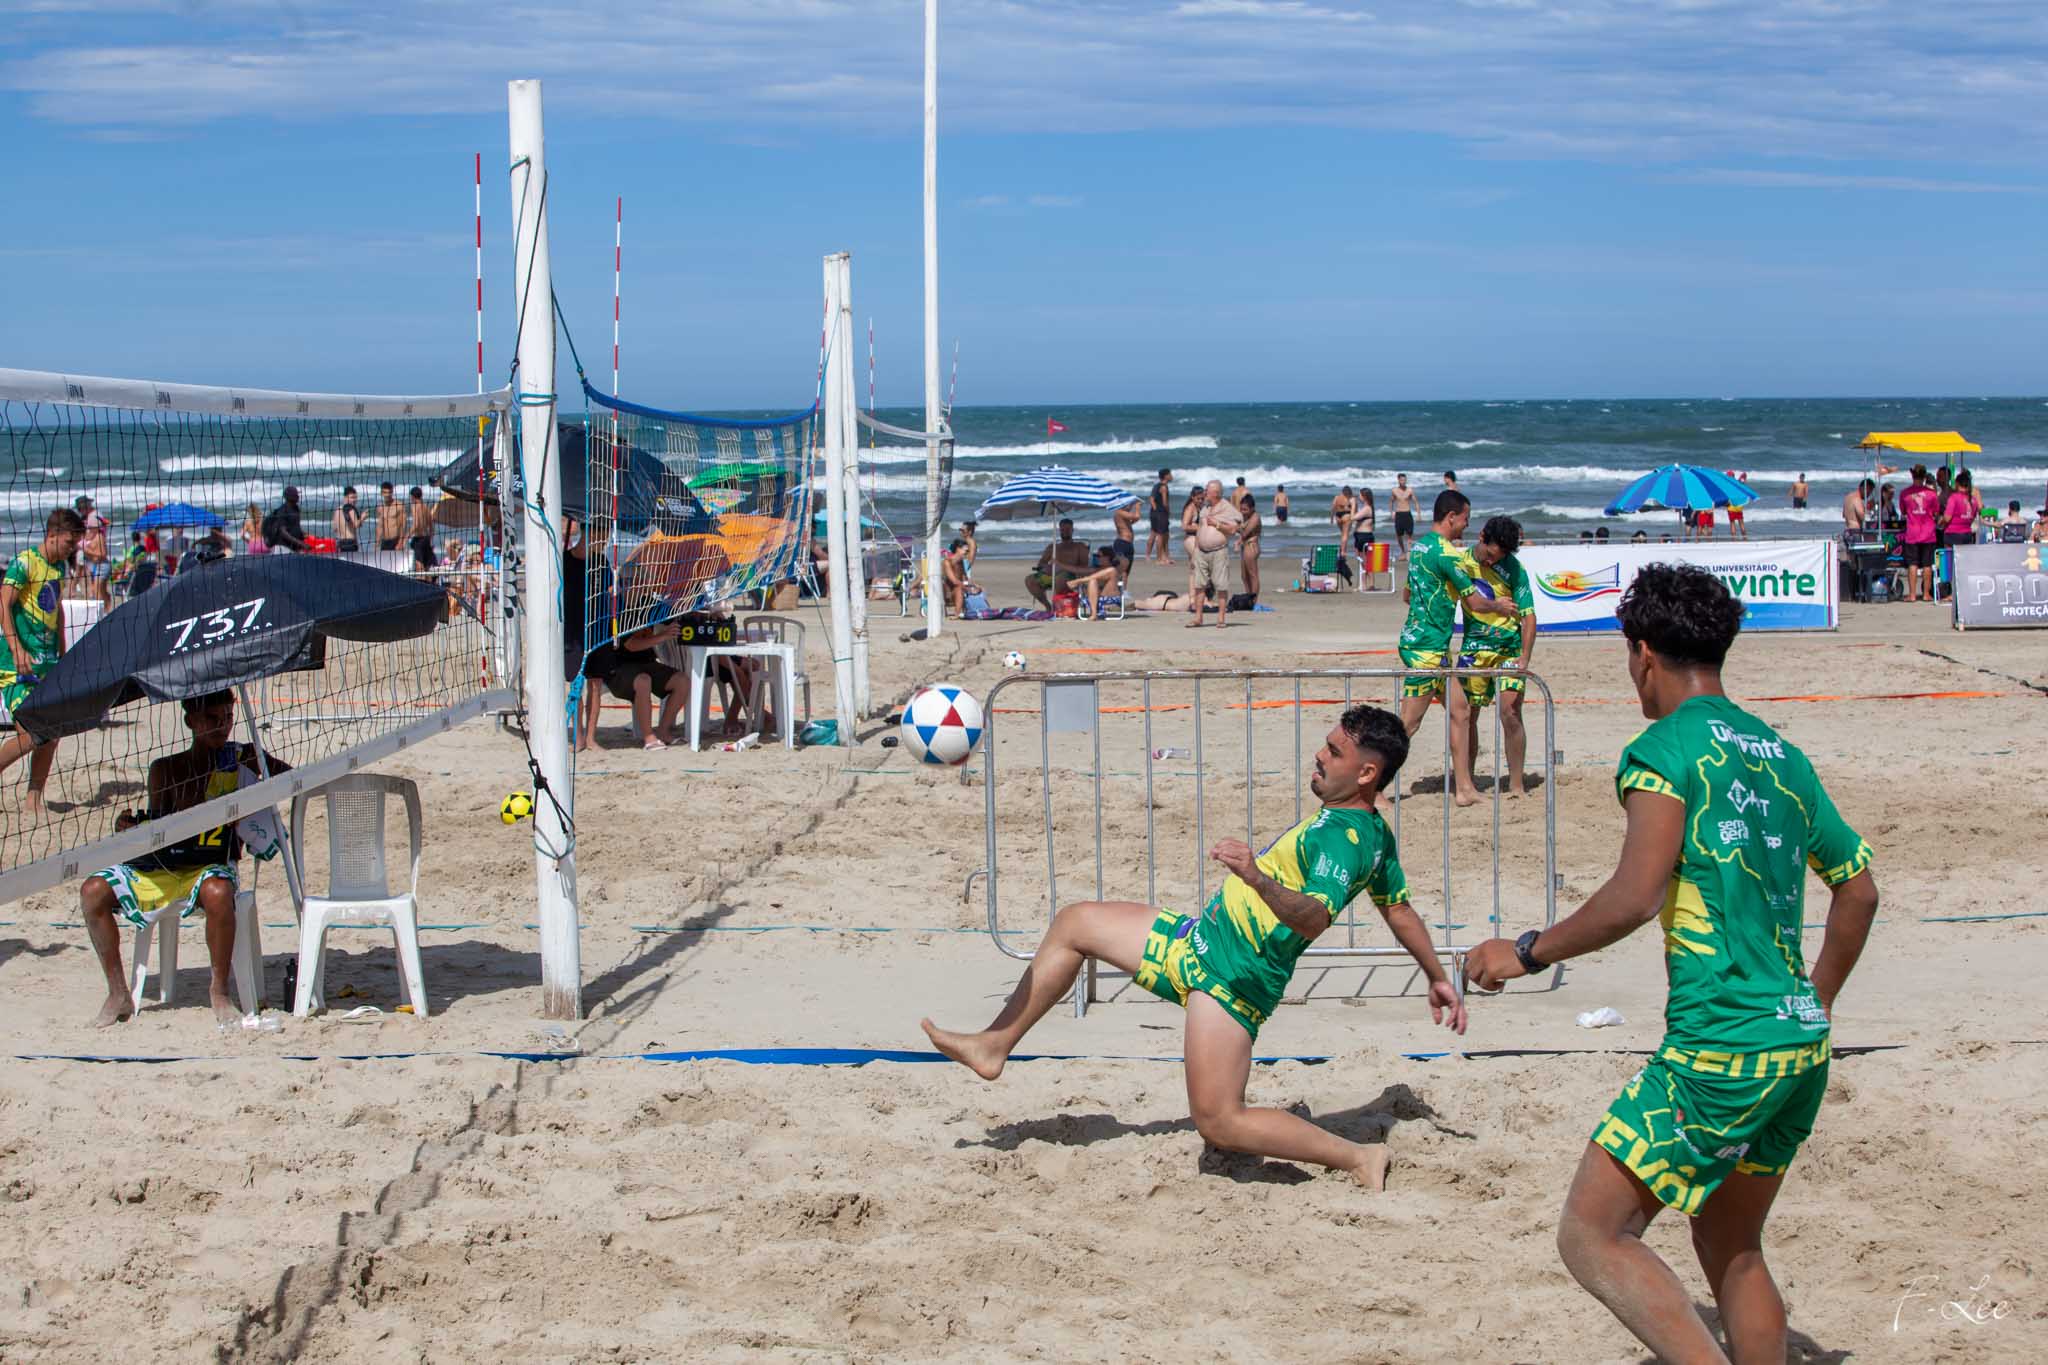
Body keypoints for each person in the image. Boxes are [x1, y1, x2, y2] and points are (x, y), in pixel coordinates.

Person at [1465, 564, 1877, 1365]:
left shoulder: (1662, 749)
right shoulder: (1781, 754)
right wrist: (1815, 1000)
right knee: (1731, 1241)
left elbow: (1636, 894)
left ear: (1645, 653)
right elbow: (1857, 889)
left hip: (1719, 1046)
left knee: (1591, 1232)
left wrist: (1525, 951)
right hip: (1798, 1045)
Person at [922, 705, 1467, 1188]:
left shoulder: (1343, 840)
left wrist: (1255, 876)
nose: (1319, 756)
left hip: (1232, 982)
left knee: (1221, 1123)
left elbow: (1313, 919)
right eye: (1326, 745)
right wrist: (1437, 975)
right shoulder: (1372, 831)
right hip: (1196, 943)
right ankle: (994, 1045)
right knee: (1075, 923)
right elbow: (1398, 909)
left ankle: (1359, 1157)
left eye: (1334, 751)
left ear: (1367, 773)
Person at [78, 690, 293, 1027]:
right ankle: (118, 992)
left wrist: (259, 766)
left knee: (218, 892)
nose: (222, 725)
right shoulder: (166, 769)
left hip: (212, 866)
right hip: (165, 866)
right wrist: (130, 827)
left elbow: (293, 780)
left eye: (227, 717)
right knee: (92, 890)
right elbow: (158, 829)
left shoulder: (240, 759)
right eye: (212, 718)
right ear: (191, 721)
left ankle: (219, 991)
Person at [1397, 490, 1518, 808]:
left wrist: (1433, 604)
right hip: (1426, 650)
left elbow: (1407, 596)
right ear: (1451, 517)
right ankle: (1373, 789)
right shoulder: (1448, 554)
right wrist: (1500, 606)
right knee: (1407, 724)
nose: (1467, 525)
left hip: (1431, 646)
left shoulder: (1419, 547)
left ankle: (1464, 788)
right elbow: (1475, 602)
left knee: (1461, 712)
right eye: (1465, 518)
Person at [0, 508, 82, 816]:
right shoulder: (24, 563)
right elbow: (3, 604)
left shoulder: (59, 567)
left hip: (46, 665)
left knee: (51, 734)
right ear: (52, 535)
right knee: (31, 734)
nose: (72, 549)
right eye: (69, 542)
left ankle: (33, 801)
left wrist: (63, 654)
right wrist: (17, 649)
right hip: (15, 666)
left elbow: (57, 613)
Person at [1458, 517, 1537, 798]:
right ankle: (1466, 782)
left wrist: (1525, 656)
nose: (1493, 561)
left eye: (1500, 557)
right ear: (1481, 536)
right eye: (1491, 555)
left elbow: (1529, 616)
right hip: (1473, 649)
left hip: (1508, 649)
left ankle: (1516, 785)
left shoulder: (1514, 569)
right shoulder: (1460, 563)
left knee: (1511, 713)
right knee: (1467, 717)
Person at [603, 618, 690, 749]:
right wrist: (663, 635)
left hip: (647, 663)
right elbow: (631, 645)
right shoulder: (620, 611)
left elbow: (672, 617)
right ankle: (649, 737)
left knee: (682, 681)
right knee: (643, 681)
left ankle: (663, 731)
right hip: (618, 667)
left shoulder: (649, 608)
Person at [1189, 480, 1240, 629]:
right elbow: (1200, 529)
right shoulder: (1205, 508)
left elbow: (1233, 529)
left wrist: (1217, 524)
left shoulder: (1227, 508)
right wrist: (1195, 552)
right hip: (1201, 552)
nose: (1204, 492)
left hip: (1218, 552)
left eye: (1207, 490)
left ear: (1216, 493)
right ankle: (1198, 618)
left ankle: (1221, 618)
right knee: (1199, 585)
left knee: (1221, 585)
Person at [1897, 466, 1940, 603]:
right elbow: (1936, 511)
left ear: (1912, 475)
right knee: (1927, 564)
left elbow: (1903, 512)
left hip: (1913, 532)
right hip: (1928, 532)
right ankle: (1926, 594)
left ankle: (1912, 594)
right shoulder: (1931, 494)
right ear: (1924, 476)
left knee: (1912, 563)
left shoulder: (1905, 494)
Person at [1026, 518, 1091, 608]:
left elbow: (1084, 567)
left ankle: (1057, 606)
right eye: (1063, 529)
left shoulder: (1079, 546)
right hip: (1051, 576)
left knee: (1060, 578)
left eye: (1068, 529)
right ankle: (1048, 606)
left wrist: (1064, 568)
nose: (1065, 531)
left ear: (1072, 530)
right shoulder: (1053, 547)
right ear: (1059, 530)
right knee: (1030, 580)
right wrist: (1046, 568)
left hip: (1071, 577)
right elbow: (1041, 564)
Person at [75, 496, 110, 605]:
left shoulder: (97, 533)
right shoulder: (91, 517)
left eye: (81, 508)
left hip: (99, 562)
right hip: (94, 560)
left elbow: (102, 554)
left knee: (98, 589)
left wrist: (83, 545)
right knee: (97, 588)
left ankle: (102, 608)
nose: (80, 511)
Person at [262, 487, 310, 554]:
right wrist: (300, 543)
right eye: (295, 495)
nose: (298, 496)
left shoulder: (296, 509)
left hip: (294, 547)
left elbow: (294, 526)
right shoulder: (283, 511)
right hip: (283, 547)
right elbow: (283, 532)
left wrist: (304, 535)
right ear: (289, 497)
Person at [1349, 487, 1377, 593]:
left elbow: (1352, 518)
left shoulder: (1367, 509)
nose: (1359, 496)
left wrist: (1353, 505)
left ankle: (1369, 584)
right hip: (1360, 536)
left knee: (1366, 562)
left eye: (1360, 495)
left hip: (1364, 536)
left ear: (1364, 497)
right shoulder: (1365, 508)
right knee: (1362, 562)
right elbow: (1357, 516)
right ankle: (1364, 584)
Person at [1942, 472, 1977, 551]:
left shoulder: (1954, 498)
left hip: (1952, 534)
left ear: (1957, 484)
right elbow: (1972, 518)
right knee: (1965, 557)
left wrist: (1941, 521)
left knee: (1951, 557)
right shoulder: (1973, 500)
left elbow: (1947, 518)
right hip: (1967, 534)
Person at [1237, 493, 1262, 601]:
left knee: (1252, 575)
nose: (1242, 511)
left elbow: (1245, 533)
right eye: (1241, 509)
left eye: (1245, 509)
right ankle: (1249, 598)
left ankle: (1254, 600)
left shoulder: (1255, 517)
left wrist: (1235, 527)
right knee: (1244, 576)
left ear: (1252, 508)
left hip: (1251, 546)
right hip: (1245, 546)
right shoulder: (1245, 516)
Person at [1110, 498, 1139, 586]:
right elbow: (1136, 516)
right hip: (1122, 543)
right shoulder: (1119, 512)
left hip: (1128, 544)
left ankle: (1124, 590)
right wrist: (1137, 507)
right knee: (1120, 569)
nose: (1130, 506)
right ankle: (1115, 588)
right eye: (1128, 504)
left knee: (1126, 571)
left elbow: (1134, 519)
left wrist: (1133, 504)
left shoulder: (1124, 514)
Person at [1147, 470, 1173, 565]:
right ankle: (1159, 559)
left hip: (1154, 513)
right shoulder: (1164, 487)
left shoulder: (1156, 485)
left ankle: (1151, 556)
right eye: (1170, 474)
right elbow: (1165, 503)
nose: (1171, 476)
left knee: (1155, 533)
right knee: (1161, 535)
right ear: (1166, 476)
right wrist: (1168, 511)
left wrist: (1154, 508)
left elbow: (1151, 499)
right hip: (1161, 513)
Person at [1390, 474, 1419, 560]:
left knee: (1409, 535)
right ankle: (1403, 551)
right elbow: (1391, 501)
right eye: (1402, 480)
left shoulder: (1409, 490)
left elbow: (1416, 502)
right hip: (1399, 514)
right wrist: (1392, 512)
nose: (1403, 482)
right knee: (1399, 535)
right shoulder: (1394, 490)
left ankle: (1409, 553)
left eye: (1405, 480)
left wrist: (1418, 514)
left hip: (1407, 513)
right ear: (1398, 480)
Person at [407, 487, 437, 570]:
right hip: (426, 538)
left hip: (419, 539)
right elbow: (431, 527)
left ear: (412, 496)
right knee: (427, 564)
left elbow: (416, 524)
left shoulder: (415, 506)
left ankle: (420, 577)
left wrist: (406, 536)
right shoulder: (426, 507)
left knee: (419, 563)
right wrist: (430, 540)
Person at [332, 486, 364, 553]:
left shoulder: (337, 510)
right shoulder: (351, 508)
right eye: (352, 497)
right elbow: (356, 525)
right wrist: (363, 517)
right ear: (345, 498)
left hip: (340, 543)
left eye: (356, 497)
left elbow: (334, 529)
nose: (355, 500)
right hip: (350, 543)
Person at [375, 482, 405, 551]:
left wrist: (400, 542)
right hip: (384, 541)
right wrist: (377, 543)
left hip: (395, 541)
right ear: (381, 493)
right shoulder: (380, 507)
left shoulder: (399, 505)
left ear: (392, 492)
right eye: (385, 492)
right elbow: (380, 526)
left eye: (389, 492)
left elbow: (403, 525)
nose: (388, 495)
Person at [1724, 473, 1749, 540]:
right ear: (1733, 476)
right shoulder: (1738, 484)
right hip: (1739, 507)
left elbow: (1726, 497)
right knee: (1741, 523)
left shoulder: (1727, 485)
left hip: (1731, 507)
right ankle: (1745, 539)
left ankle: (1734, 540)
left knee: (1732, 523)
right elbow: (1743, 486)